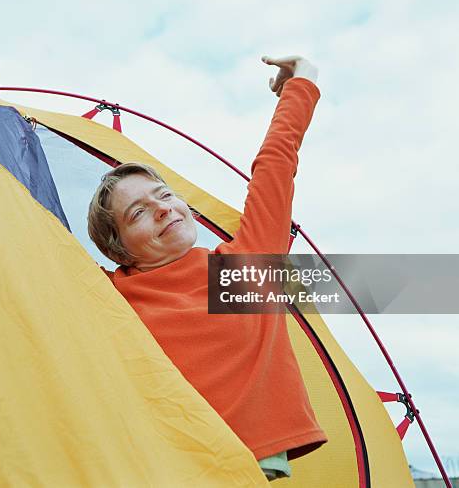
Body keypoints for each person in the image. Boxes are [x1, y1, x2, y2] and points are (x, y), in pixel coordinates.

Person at [87, 55, 327, 481]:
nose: (162, 209)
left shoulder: (240, 268)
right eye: (138, 213)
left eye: (163, 194)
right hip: (155, 468)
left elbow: (275, 165)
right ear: (119, 249)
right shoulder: (106, 296)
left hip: (246, 467)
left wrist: (301, 82)